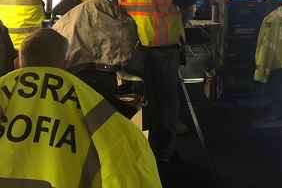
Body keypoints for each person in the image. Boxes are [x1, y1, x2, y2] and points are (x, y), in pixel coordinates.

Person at [0, 28, 161, 187]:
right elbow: (128, 160)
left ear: (17, 63)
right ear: (66, 63)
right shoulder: (89, 100)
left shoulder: (4, 87)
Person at [114, 0, 195, 164]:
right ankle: (165, 152)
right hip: (164, 46)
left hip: (132, 47)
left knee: (137, 97)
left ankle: (136, 148)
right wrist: (182, 25)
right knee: (167, 97)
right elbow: (188, 4)